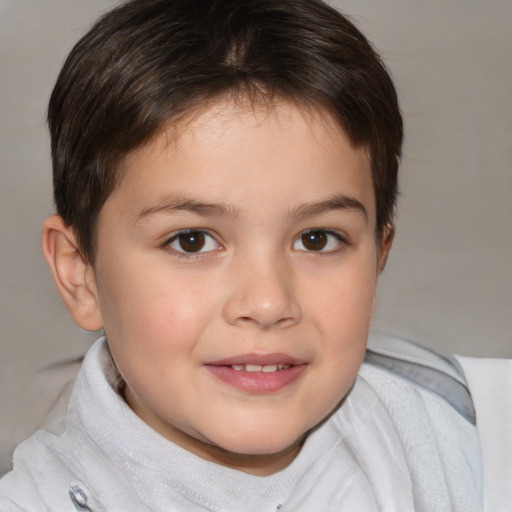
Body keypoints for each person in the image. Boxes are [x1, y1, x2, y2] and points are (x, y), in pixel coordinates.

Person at [0, 0, 507, 510]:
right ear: (80, 274)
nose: (266, 303)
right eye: (192, 241)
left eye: (317, 239)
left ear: (378, 259)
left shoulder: (480, 436)